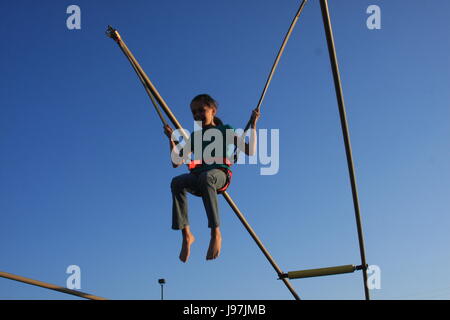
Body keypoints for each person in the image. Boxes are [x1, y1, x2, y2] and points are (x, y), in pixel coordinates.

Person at [164, 94, 260, 262]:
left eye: (201, 110)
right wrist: (171, 140)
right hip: (199, 179)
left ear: (213, 111)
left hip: (219, 176)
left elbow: (250, 150)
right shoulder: (195, 137)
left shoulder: (226, 130)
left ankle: (216, 232)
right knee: (177, 182)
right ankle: (187, 235)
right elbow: (176, 162)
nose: (197, 115)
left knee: (207, 177)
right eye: (194, 112)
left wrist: (253, 124)